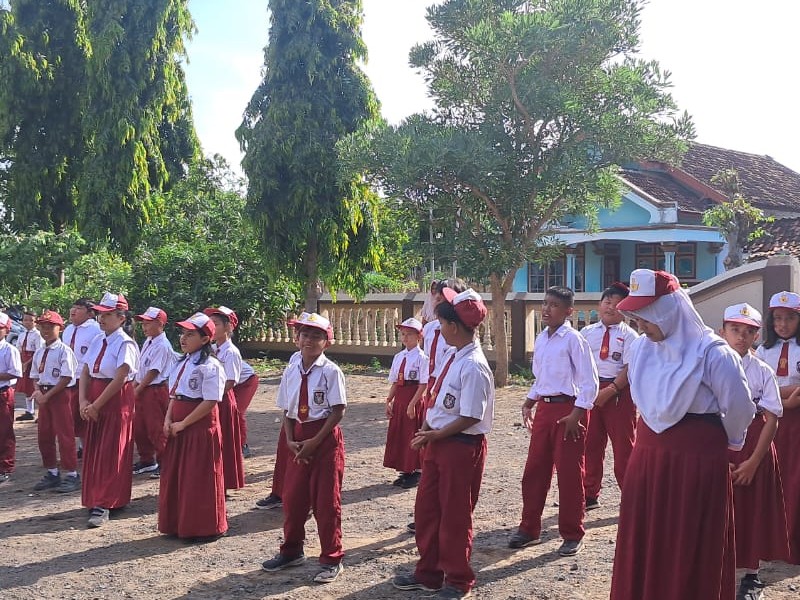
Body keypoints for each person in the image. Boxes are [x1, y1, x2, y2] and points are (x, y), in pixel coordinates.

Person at [609, 270, 755, 600]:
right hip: (647, 458)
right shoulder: (642, 349)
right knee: (647, 535)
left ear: (667, 311)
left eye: (646, 318)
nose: (641, 326)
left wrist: (731, 445)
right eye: (636, 318)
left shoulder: (713, 353)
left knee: (688, 540)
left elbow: (740, 409)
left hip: (696, 462)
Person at [392, 288, 494, 599]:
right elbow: (438, 399)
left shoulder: (474, 365)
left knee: (454, 514)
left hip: (460, 445)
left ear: (453, 326)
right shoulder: (453, 354)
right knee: (427, 510)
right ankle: (429, 572)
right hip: (438, 441)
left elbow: (471, 416)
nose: (438, 329)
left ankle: (458, 579)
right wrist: (427, 427)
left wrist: (435, 434)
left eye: (441, 323)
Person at [509, 286, 599, 557]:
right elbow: (541, 378)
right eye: (545, 303)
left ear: (568, 311)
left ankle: (572, 533)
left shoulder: (574, 340)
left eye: (554, 305)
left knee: (570, 474)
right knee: (534, 471)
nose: (546, 309)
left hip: (569, 410)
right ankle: (529, 528)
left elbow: (589, 382)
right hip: (545, 409)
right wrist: (530, 401)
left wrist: (577, 414)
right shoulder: (542, 338)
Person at [261, 312, 346, 585]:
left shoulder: (331, 371)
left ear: (326, 341)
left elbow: (338, 410)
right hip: (297, 439)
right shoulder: (292, 368)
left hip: (323, 440)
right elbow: (287, 409)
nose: (309, 340)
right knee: (293, 499)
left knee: (326, 503)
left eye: (316, 336)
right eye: (304, 334)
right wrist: (289, 439)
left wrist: (314, 442)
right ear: (296, 338)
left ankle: (332, 558)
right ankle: (292, 550)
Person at [719, 303, 789, 599]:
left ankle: (750, 576)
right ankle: (716, 572)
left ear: (757, 336)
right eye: (735, 329)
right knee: (718, 511)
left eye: (749, 332)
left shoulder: (762, 371)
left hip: (754, 447)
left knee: (752, 510)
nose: (741, 337)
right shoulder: (709, 367)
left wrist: (753, 462)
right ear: (722, 331)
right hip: (719, 446)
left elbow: (772, 418)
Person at [158, 312, 227, 541]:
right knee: (177, 475)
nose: (183, 338)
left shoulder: (211, 366)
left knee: (198, 476)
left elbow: (210, 401)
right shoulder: (182, 362)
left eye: (190, 334)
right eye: (182, 333)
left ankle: (203, 527)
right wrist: (168, 420)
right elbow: (174, 395)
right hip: (178, 425)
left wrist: (184, 423)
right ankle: (177, 523)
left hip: (198, 427)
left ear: (205, 339)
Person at [79, 292, 140, 528]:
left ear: (121, 318)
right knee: (95, 448)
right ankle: (95, 496)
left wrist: (96, 404)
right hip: (95, 394)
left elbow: (120, 377)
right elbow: (86, 370)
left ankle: (106, 501)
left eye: (107, 314)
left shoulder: (125, 343)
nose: (101, 318)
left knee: (112, 449)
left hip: (115, 400)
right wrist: (83, 401)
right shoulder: (98, 339)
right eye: (100, 314)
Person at [579, 282, 638, 510]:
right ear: (599, 304)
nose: (611, 307)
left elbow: (629, 368)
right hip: (591, 392)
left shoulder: (630, 336)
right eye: (607, 302)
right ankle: (589, 493)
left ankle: (632, 495)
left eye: (617, 303)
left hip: (619, 393)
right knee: (590, 444)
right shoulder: (586, 333)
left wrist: (611, 390)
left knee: (624, 447)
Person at [754, 291, 800, 564]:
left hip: (797, 424)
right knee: (773, 478)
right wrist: (787, 395)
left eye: (790, 318)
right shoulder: (763, 351)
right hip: (770, 422)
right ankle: (770, 541)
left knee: (795, 480)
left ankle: (793, 542)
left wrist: (777, 394)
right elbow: (758, 388)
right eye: (778, 318)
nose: (783, 324)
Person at [254, 313, 308, 510]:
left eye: (300, 331)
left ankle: (303, 498)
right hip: (291, 417)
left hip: (309, 420)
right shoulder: (295, 358)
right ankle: (279, 492)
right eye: (297, 332)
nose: (297, 336)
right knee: (284, 455)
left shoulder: (326, 368)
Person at [30, 310, 81, 493]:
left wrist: (48, 395)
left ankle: (72, 473)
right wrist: (37, 391)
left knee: (64, 434)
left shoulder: (64, 351)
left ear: (60, 328)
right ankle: (52, 471)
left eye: (50, 327)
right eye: (42, 326)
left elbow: (66, 377)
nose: (46, 330)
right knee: (44, 434)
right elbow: (35, 375)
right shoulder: (39, 351)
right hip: (44, 393)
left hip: (59, 394)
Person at [203, 306, 245, 492]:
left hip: (223, 400)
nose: (212, 327)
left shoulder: (231, 352)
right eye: (210, 323)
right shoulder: (212, 349)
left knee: (224, 441)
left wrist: (212, 395)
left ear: (228, 327)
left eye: (216, 324)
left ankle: (224, 482)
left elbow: (230, 381)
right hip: (212, 398)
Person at [383, 317, 428, 489]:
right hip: (400, 398)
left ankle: (417, 469)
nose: (405, 337)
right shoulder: (399, 357)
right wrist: (389, 400)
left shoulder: (422, 358)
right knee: (400, 433)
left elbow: (423, 384)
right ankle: (405, 468)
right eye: (403, 334)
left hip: (413, 397)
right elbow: (395, 381)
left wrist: (412, 404)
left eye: (409, 334)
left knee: (412, 433)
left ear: (419, 337)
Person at [132, 307, 175, 478]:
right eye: (143, 323)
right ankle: (147, 460)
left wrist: (138, 388)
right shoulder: (149, 341)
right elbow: (142, 368)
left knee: (156, 428)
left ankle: (165, 461)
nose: (144, 327)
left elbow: (154, 371)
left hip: (155, 390)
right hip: (143, 388)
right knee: (140, 427)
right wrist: (136, 386)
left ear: (160, 324)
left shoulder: (162, 345)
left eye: (148, 323)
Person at [63, 298, 102, 457]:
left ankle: (90, 448)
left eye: (79, 308)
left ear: (90, 313)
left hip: (86, 378)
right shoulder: (68, 329)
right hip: (68, 378)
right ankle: (82, 446)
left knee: (86, 414)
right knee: (72, 415)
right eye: (73, 307)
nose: (73, 311)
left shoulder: (96, 330)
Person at [0, 312, 23, 484]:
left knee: (4, 430)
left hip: (3, 391)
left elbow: (15, 372)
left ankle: (5, 466)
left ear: (7, 330)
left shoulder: (9, 350)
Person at [15, 310, 44, 422]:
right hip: (23, 362)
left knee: (36, 386)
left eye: (31, 320)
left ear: (35, 322)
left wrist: (27, 363)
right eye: (25, 320)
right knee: (26, 387)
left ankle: (42, 413)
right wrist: (20, 362)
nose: (27, 322)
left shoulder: (37, 335)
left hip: (33, 362)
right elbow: (18, 349)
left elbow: (38, 352)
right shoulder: (22, 335)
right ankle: (29, 411)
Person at [234, 358, 259, 459]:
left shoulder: (228, 352)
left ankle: (242, 445)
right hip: (231, 383)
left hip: (246, 381)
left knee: (236, 412)